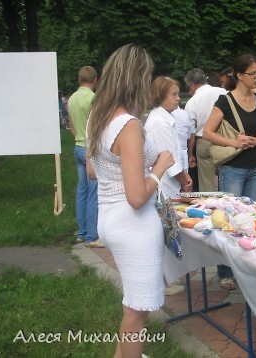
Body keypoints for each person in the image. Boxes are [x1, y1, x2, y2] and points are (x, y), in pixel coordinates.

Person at [86, 44, 175, 358]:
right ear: (138, 79)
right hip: (133, 225)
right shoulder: (129, 125)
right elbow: (137, 197)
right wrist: (159, 168)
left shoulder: (98, 117)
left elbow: (92, 169)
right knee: (137, 311)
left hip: (109, 219)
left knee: (134, 304)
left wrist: (131, 168)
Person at [203, 54, 256, 290]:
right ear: (240, 76)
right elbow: (208, 132)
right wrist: (234, 143)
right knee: (229, 220)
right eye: (253, 73)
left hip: (255, 167)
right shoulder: (225, 101)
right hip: (232, 168)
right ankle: (225, 271)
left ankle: (247, 268)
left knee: (250, 220)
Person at [67, 66, 103, 248]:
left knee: (81, 191)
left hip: (77, 146)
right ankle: (92, 235)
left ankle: (81, 232)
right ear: (95, 80)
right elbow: (97, 126)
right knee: (94, 192)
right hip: (90, 148)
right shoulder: (94, 98)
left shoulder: (72, 98)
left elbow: (72, 126)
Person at [145, 76, 192, 197]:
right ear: (160, 96)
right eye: (174, 94)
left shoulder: (164, 119)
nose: (178, 98)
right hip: (165, 187)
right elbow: (172, 163)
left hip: (167, 185)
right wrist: (185, 182)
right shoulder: (161, 123)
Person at [184, 68, 227, 192]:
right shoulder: (224, 92)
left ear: (192, 85)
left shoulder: (192, 102)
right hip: (225, 141)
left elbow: (191, 132)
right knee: (227, 178)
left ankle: (208, 206)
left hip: (203, 141)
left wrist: (190, 154)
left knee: (206, 184)